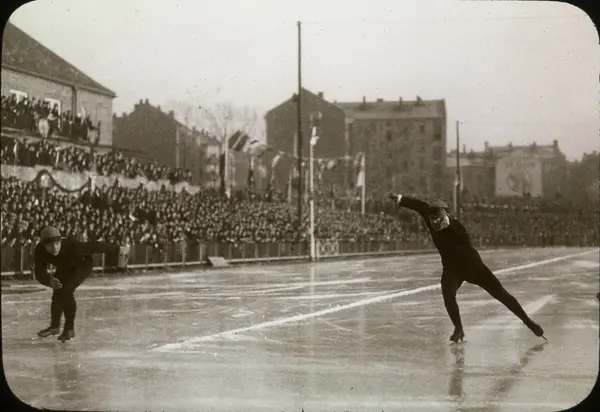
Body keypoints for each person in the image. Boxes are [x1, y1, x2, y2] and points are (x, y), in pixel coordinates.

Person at [388, 193, 545, 343]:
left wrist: (449, 228)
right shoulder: (430, 217)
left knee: (501, 294)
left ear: (445, 218)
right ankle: (458, 328)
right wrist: (400, 199)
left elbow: (466, 249)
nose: (434, 222)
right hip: (452, 269)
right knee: (448, 294)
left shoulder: (457, 228)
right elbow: (418, 205)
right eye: (432, 219)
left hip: (473, 267)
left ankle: (528, 322)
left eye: (437, 219)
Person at [33, 226, 129, 342]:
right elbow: (39, 272)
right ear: (44, 245)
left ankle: (69, 329)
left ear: (61, 241)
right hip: (65, 265)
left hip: (82, 264)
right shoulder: (39, 251)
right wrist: (49, 280)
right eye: (50, 245)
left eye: (57, 243)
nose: (55, 248)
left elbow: (94, 246)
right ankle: (54, 327)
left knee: (66, 291)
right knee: (58, 291)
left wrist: (118, 249)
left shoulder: (74, 246)